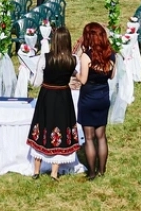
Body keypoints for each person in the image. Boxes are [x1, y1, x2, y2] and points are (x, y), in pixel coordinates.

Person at [26, 26, 80, 179]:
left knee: (42, 127)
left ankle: (36, 171)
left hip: (47, 96)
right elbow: (73, 74)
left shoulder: (45, 58)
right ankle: (54, 172)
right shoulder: (73, 59)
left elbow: (36, 82)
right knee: (60, 128)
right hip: (64, 97)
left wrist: (28, 72)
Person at [74, 21, 115, 180]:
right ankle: (102, 170)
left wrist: (75, 73)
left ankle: (91, 173)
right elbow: (111, 76)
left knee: (89, 138)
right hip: (103, 97)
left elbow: (83, 80)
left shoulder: (87, 56)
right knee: (101, 136)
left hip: (88, 99)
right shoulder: (111, 54)